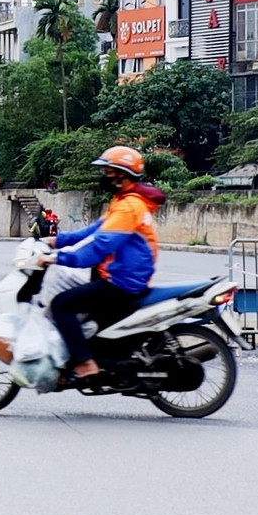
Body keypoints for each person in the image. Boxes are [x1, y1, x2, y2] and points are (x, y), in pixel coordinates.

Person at [38, 147, 163, 382]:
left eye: (107, 170)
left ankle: (85, 362)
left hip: (121, 281)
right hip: (119, 275)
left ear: (121, 175)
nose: (103, 175)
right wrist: (57, 240)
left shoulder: (129, 207)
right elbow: (94, 231)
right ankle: (90, 356)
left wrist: (57, 257)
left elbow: (98, 247)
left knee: (61, 304)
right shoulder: (124, 201)